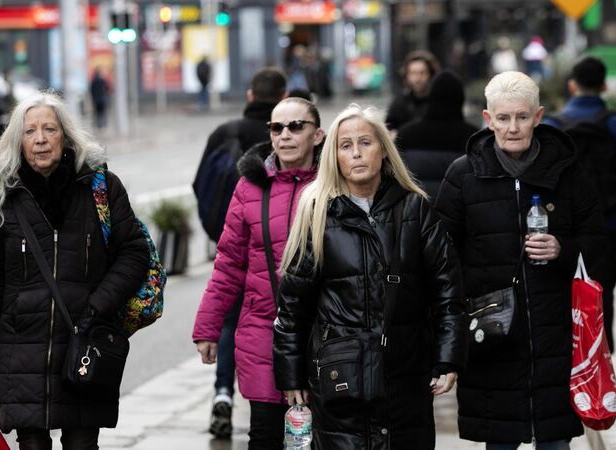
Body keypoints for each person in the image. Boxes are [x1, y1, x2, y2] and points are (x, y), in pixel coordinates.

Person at [0, 91, 149, 449]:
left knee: (81, 444)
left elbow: (134, 253)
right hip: (21, 355)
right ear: (18, 142)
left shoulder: (100, 188)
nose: (40, 139)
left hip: (84, 347)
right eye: (30, 131)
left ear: (66, 137)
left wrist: (99, 304)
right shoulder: (2, 198)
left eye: (50, 129)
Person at [273, 103, 468, 448]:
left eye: (365, 142)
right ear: (334, 156)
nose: (357, 153)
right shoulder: (316, 214)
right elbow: (292, 308)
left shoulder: (415, 208)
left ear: (383, 149)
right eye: (345, 146)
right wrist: (291, 376)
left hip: (405, 376)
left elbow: (447, 292)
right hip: (340, 377)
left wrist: (448, 357)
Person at [433, 71, 605, 449]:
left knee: (555, 440)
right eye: (503, 118)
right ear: (488, 119)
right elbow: (441, 257)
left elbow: (598, 242)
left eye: (522, 117)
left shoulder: (567, 170)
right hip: (492, 337)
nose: (513, 128)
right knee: (500, 440)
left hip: (556, 333)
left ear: (538, 116)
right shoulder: (463, 175)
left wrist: (563, 250)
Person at [193, 97, 325, 449]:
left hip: (324, 334)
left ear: (317, 135)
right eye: (277, 128)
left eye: (296, 126)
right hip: (263, 331)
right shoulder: (249, 187)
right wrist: (207, 327)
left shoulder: (333, 186)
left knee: (319, 439)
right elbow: (228, 263)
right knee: (265, 435)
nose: (285, 135)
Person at [194, 66, 288, 439]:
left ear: (250, 95)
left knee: (231, 325)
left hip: (232, 243)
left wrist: (215, 231)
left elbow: (199, 184)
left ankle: (222, 393)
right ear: (282, 98)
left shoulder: (224, 132)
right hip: (276, 257)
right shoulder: (289, 139)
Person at [544, 56, 616, 352]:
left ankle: (570, 348)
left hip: (564, 226)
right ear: (604, 85)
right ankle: (602, 350)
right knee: (603, 286)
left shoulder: (553, 126)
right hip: (609, 221)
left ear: (572, 86)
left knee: (563, 286)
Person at [396, 70, 479, 198]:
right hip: (460, 205)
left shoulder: (406, 134)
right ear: (460, 99)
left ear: (430, 97)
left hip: (417, 205)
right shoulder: (474, 137)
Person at [386, 50, 441, 133]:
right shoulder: (399, 102)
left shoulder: (438, 102)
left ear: (430, 74)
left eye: (422, 73)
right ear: (406, 75)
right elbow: (388, 128)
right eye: (413, 73)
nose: (418, 78)